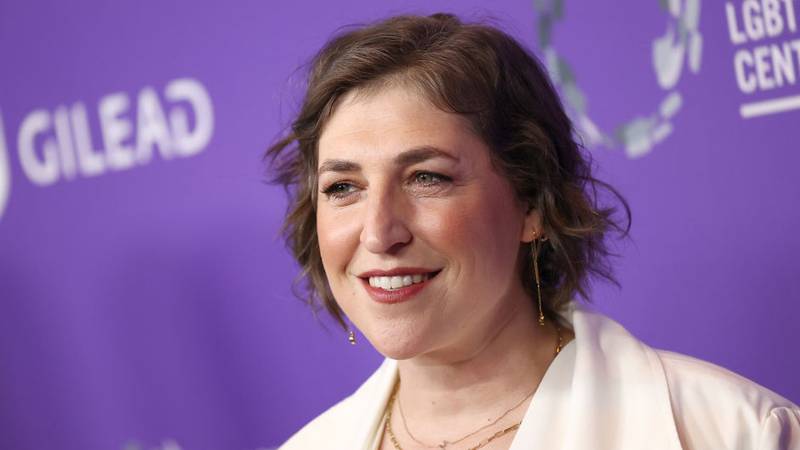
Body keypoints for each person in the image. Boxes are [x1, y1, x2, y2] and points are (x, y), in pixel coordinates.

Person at [266, 13, 800, 450]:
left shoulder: (738, 432)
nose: (379, 233)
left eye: (427, 177)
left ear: (532, 202)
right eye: (342, 187)